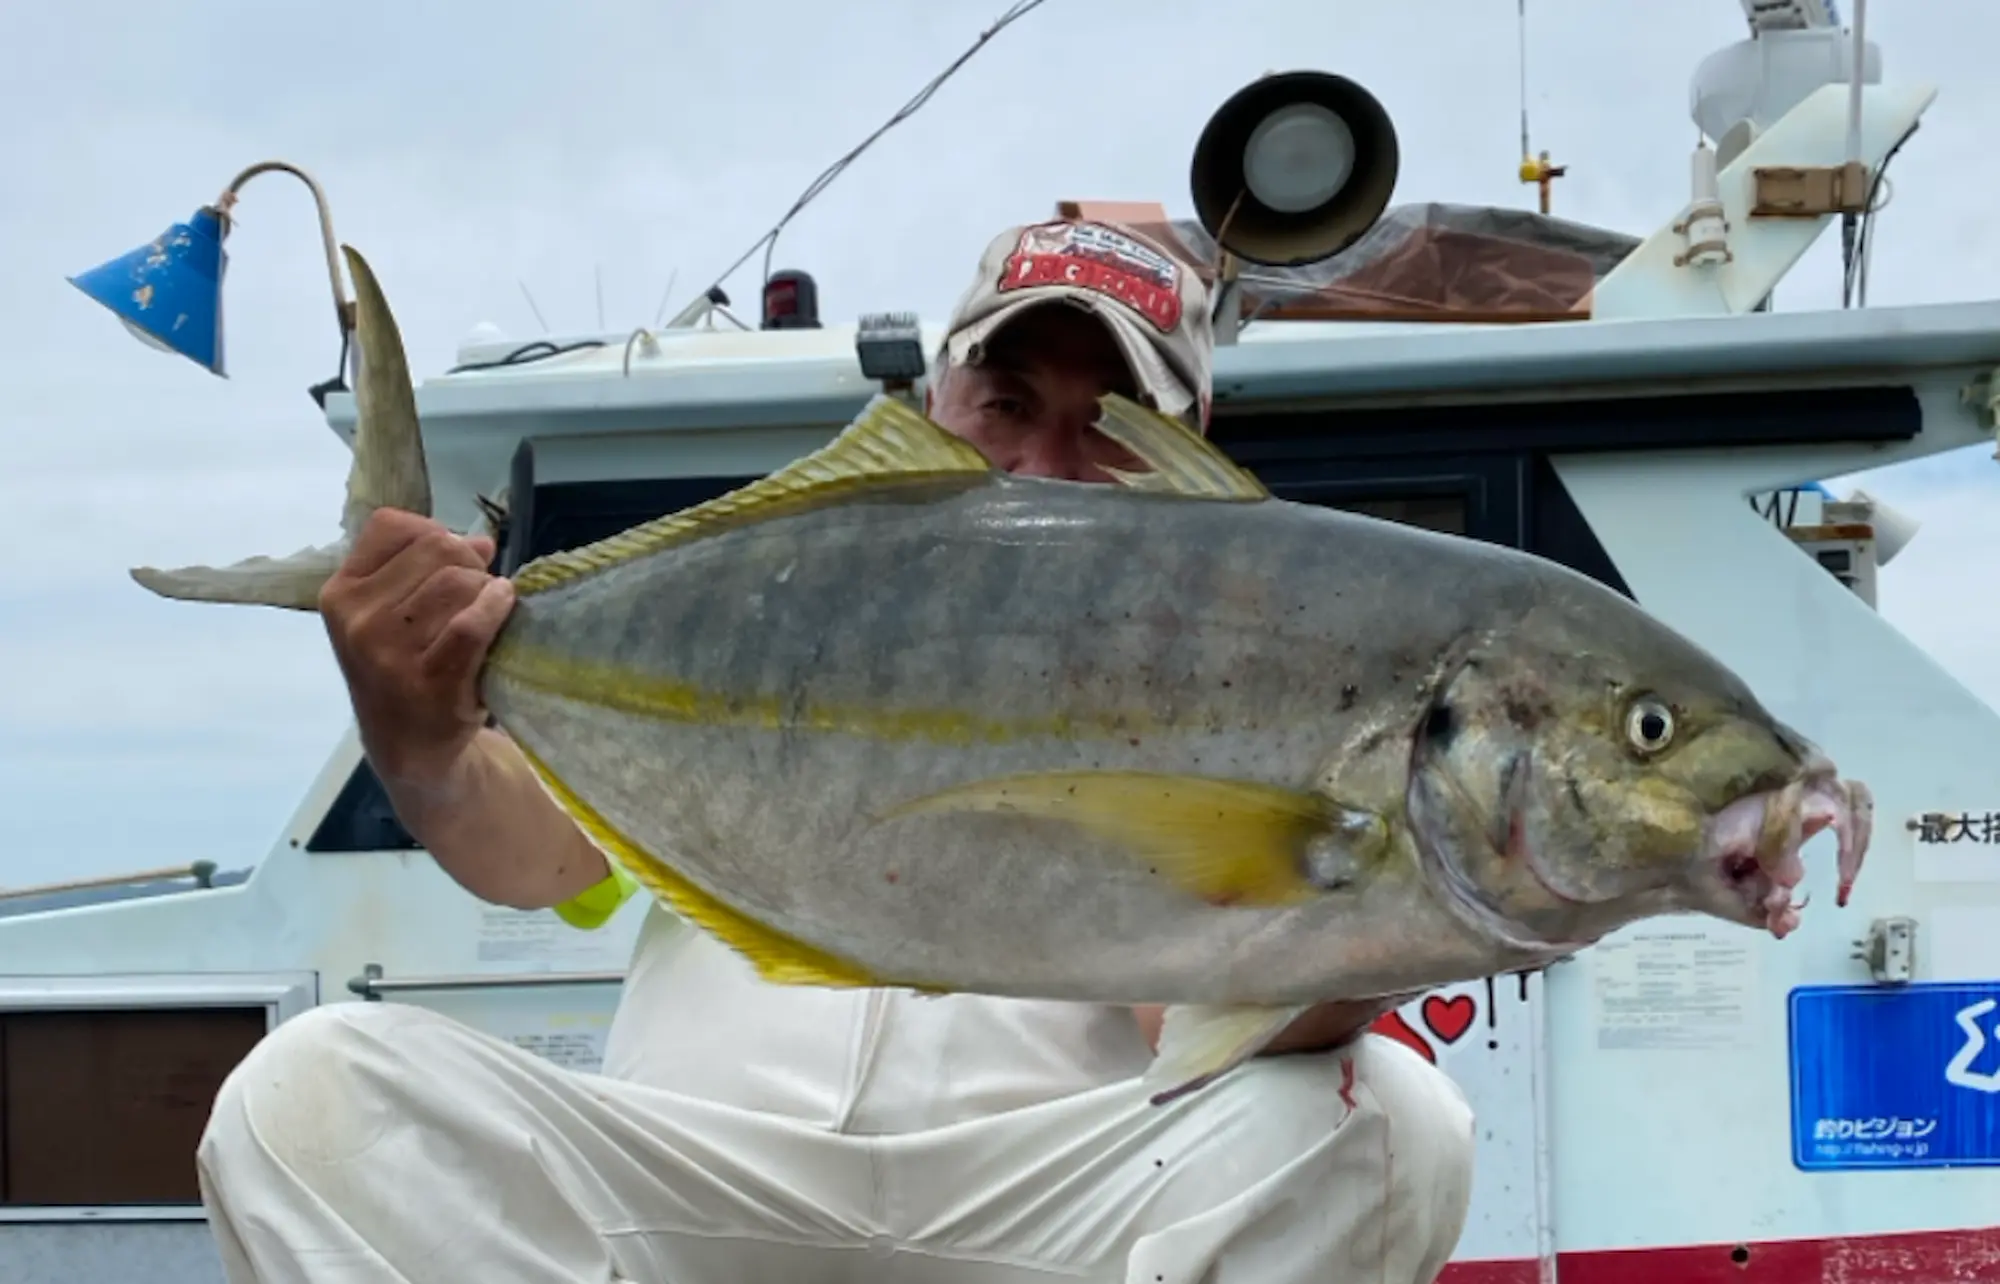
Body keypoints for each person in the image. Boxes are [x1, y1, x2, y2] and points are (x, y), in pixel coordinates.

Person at [195, 218, 1477, 1284]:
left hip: (1037, 1217)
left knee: (1391, 1128)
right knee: (307, 1096)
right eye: (1007, 402)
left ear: (1192, 446)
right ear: (928, 403)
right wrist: (411, 729)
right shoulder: (767, 607)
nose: (1043, 462)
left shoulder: (1246, 670)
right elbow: (522, 850)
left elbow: (1192, 1018)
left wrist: (1403, 912)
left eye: (1110, 422)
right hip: (693, 1187)